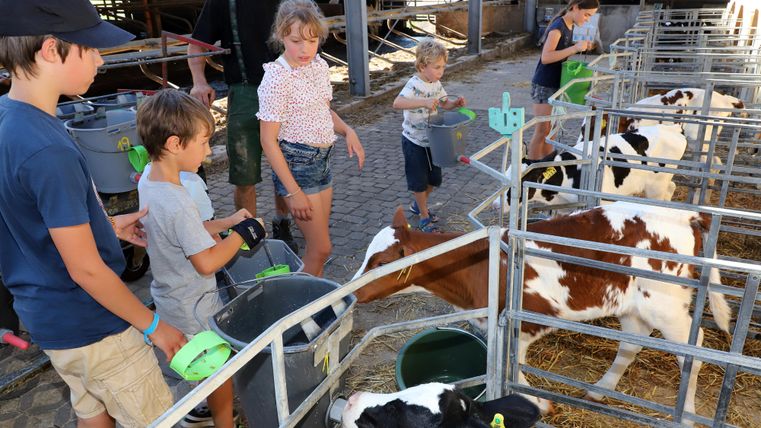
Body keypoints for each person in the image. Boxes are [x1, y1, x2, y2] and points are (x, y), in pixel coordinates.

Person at [0, 1, 188, 426]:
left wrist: (104, 226)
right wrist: (153, 325)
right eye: (90, 48)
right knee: (157, 418)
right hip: (95, 325)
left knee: (93, 410)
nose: (101, 59)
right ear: (51, 50)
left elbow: (25, 217)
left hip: (48, 320)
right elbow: (85, 269)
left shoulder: (10, 120)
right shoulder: (48, 149)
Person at [137, 89, 267, 428]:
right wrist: (243, 234)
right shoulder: (178, 200)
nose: (208, 152)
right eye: (204, 142)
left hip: (170, 297)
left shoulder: (149, 182)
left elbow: (186, 231)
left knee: (210, 367)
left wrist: (225, 223)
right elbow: (207, 262)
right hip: (194, 304)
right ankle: (222, 422)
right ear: (175, 144)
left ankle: (202, 408)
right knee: (219, 372)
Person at [258, 0, 365, 277]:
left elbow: (323, 109)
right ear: (281, 35)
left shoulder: (318, 65)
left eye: (312, 40)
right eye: (296, 40)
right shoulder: (277, 77)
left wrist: (347, 130)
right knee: (321, 248)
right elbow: (268, 141)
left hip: (322, 160)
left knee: (319, 248)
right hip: (297, 163)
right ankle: (303, 308)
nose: (305, 49)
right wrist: (293, 192)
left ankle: (313, 302)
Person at [188, 0, 301, 254]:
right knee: (244, 175)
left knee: (284, 167)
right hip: (245, 93)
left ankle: (282, 223)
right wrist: (198, 81)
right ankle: (250, 230)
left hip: (286, 90)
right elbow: (196, 44)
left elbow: (308, 35)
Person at [392, 38, 466, 232]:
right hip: (413, 141)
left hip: (432, 141)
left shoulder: (436, 83)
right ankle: (424, 217)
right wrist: (422, 103)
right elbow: (397, 103)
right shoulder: (414, 84)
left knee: (434, 179)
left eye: (443, 67)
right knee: (419, 180)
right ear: (423, 66)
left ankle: (419, 205)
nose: (441, 71)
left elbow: (443, 104)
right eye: (437, 67)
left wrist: (454, 104)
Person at [528, 0, 599, 160]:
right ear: (575, 8)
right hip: (544, 84)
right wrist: (574, 48)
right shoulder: (558, 27)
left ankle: (548, 163)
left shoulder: (569, 25)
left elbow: (559, 50)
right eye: (586, 14)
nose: (587, 19)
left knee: (551, 130)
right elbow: (546, 57)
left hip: (556, 84)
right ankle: (530, 169)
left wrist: (580, 46)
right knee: (542, 131)